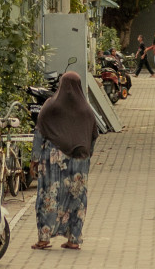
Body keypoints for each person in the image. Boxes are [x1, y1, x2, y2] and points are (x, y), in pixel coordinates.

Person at [30, 71, 98, 252]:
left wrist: (34, 159)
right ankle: (74, 239)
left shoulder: (51, 106)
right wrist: (87, 155)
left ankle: (44, 239)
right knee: (77, 199)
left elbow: (39, 132)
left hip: (53, 159)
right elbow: (93, 136)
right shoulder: (86, 110)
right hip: (79, 161)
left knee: (49, 196)